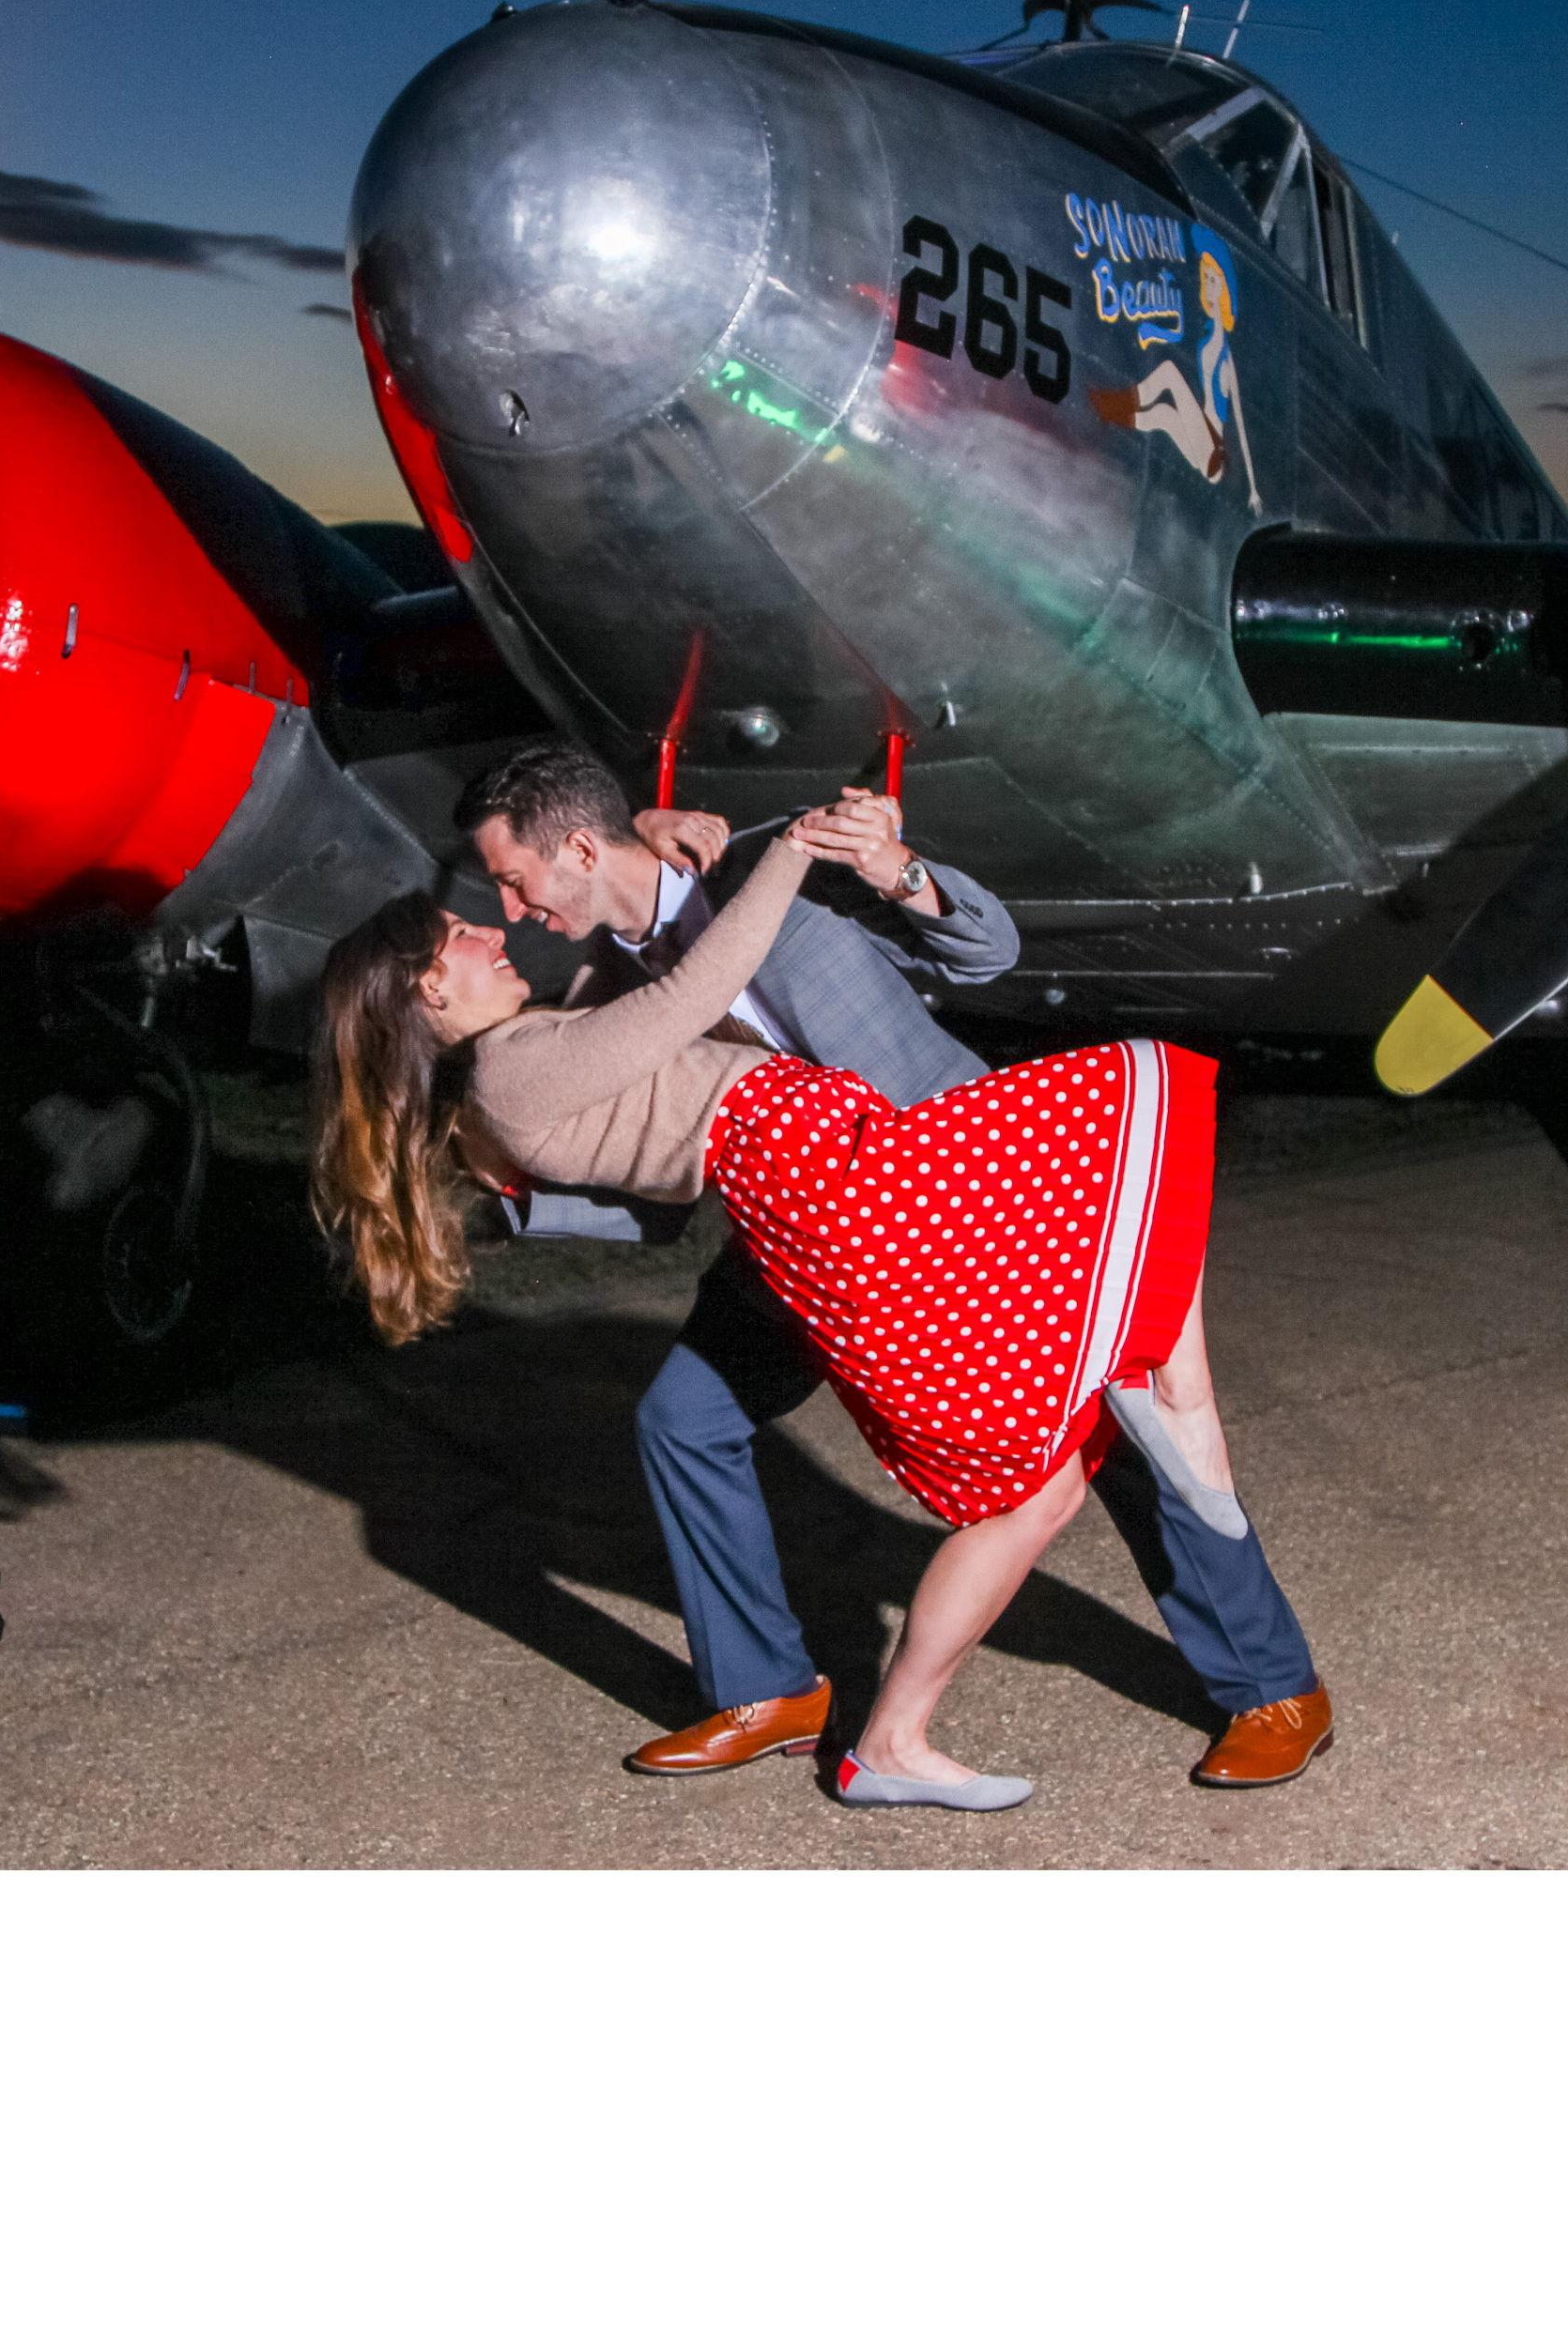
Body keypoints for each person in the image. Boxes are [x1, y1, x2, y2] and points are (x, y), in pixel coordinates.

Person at [316, 760, 1330, 1804]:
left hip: (952, 1185)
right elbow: (657, 1182)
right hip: (803, 1233)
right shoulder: (599, 993)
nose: (513, 910)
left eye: (518, 882)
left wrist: (899, 872)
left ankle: (1270, 1688)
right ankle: (767, 1691)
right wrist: (513, 1198)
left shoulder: (779, 876)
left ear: (581, 849)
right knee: (683, 1417)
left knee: (1099, 1414)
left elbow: (991, 949)